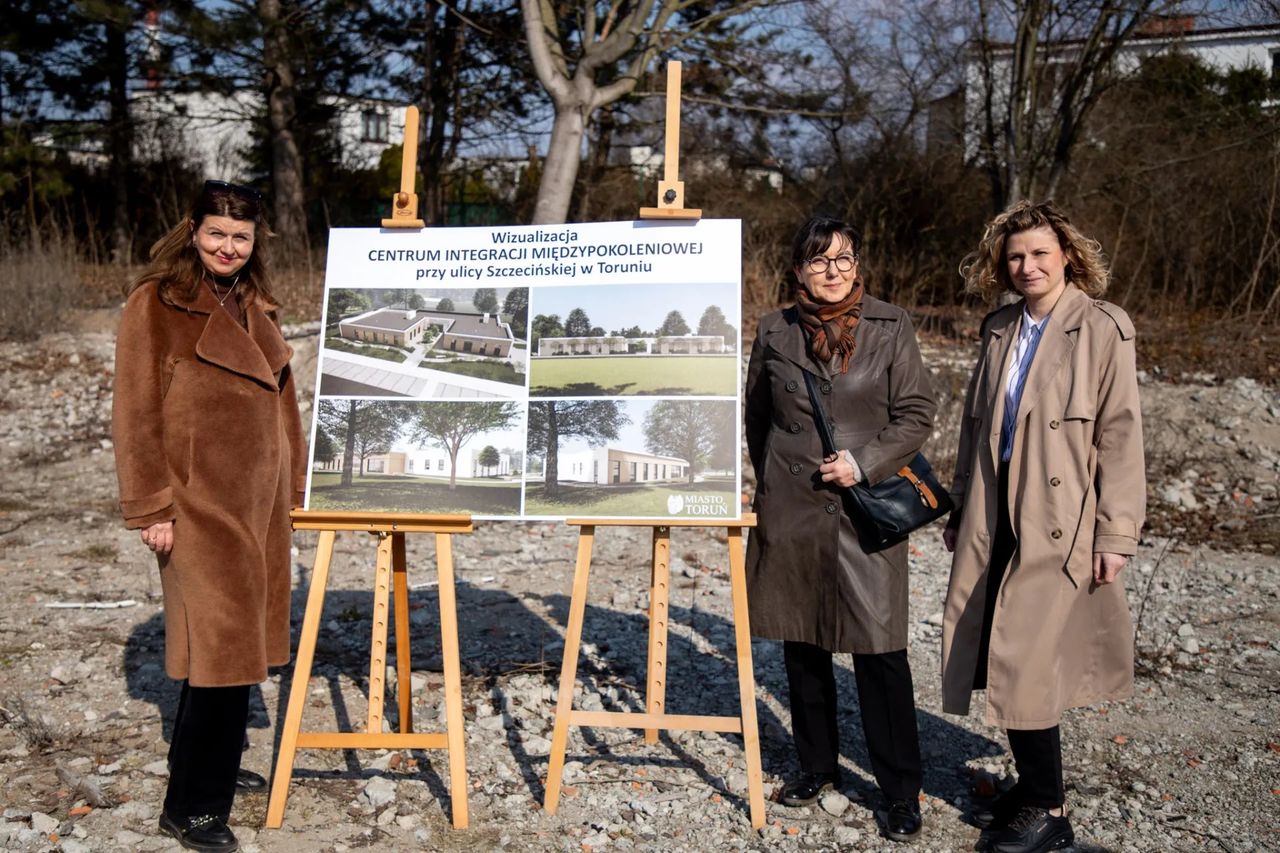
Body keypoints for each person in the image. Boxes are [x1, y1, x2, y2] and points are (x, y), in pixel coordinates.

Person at [941, 200, 1145, 853]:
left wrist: (1116, 533)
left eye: (1039, 253)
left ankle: (1050, 813)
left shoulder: (1104, 327)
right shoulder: (999, 327)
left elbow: (1121, 435)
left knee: (1028, 656)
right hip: (993, 511)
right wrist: (961, 503)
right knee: (997, 649)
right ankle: (1032, 788)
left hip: (1058, 520)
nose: (1027, 265)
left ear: (1068, 256)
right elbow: (976, 428)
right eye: (1015, 256)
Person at [112, 180, 308, 852]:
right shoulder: (156, 303)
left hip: (261, 507)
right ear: (193, 228)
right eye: (216, 233)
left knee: (227, 651)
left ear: (255, 244)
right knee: (223, 652)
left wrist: (297, 491)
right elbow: (134, 415)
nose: (227, 247)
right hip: (196, 505)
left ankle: (203, 767)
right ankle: (192, 807)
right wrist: (151, 505)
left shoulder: (258, 306)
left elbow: (285, 410)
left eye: (241, 237)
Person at [744, 215, 937, 842]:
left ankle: (900, 789)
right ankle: (816, 766)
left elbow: (915, 414)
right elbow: (757, 418)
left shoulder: (890, 325)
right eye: (819, 260)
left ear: (859, 265)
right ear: (798, 269)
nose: (833, 271)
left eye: (844, 259)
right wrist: (775, 482)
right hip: (795, 507)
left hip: (866, 504)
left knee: (882, 653)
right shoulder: (775, 330)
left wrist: (864, 462)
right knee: (803, 644)